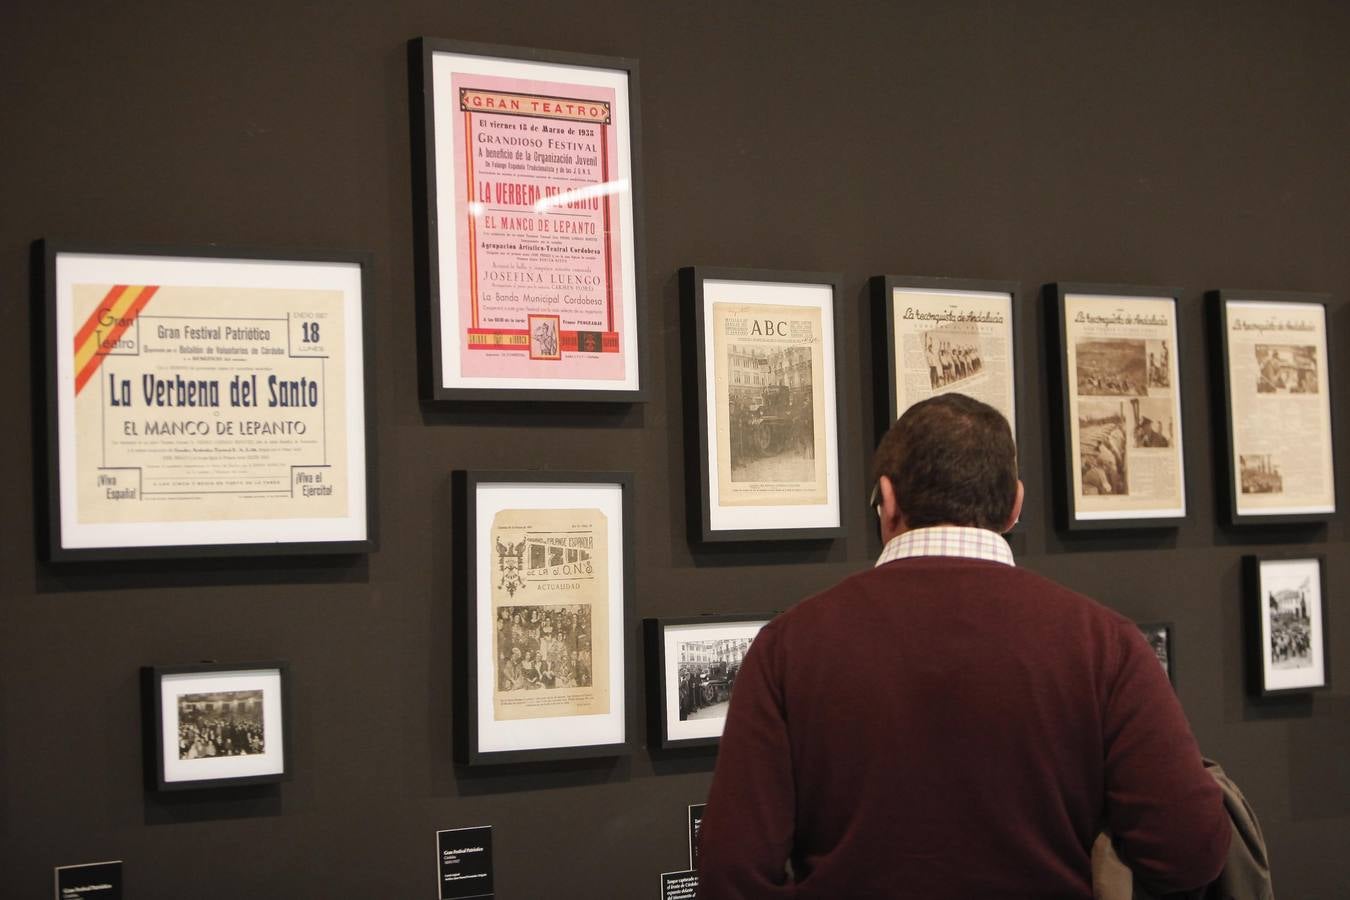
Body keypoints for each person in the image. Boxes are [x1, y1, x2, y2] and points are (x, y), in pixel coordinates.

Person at [697, 394, 1229, 899]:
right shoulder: (1105, 644)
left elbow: (733, 876)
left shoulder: (788, 646)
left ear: (885, 500)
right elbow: (1189, 850)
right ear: (1015, 505)